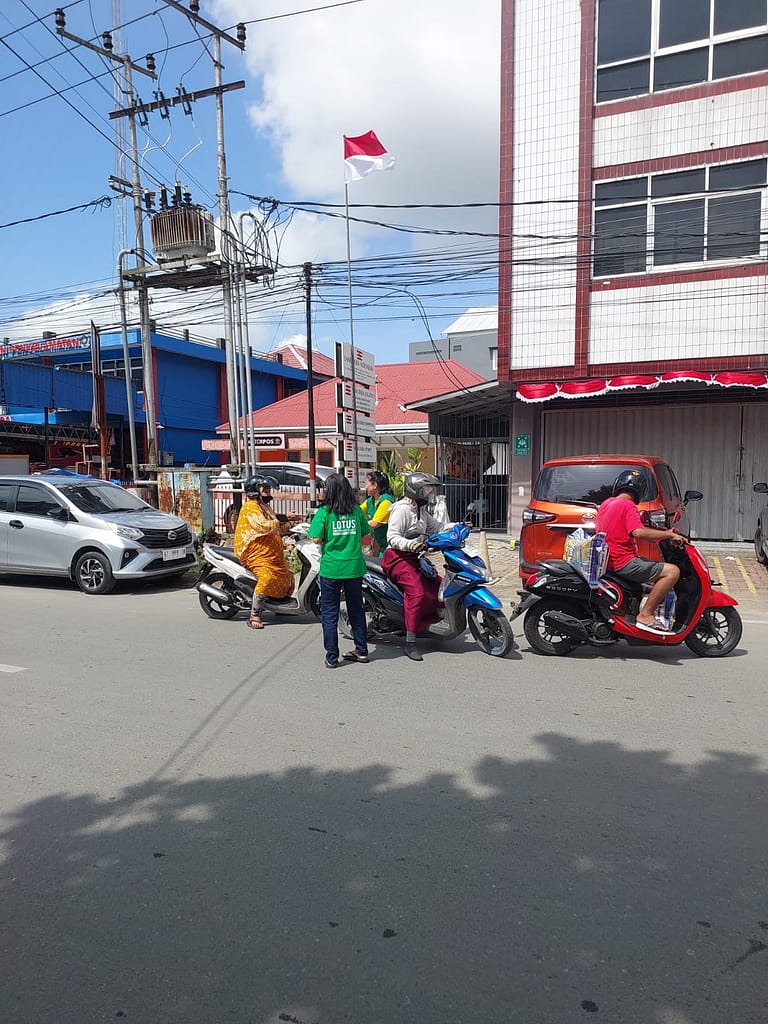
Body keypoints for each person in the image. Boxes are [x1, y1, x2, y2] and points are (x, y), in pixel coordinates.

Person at [596, 469, 684, 633]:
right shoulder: (628, 505)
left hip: (609, 560)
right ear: (640, 490)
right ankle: (645, 614)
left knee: (649, 564)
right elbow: (638, 532)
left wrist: (662, 533)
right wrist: (668, 535)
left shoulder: (607, 503)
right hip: (623, 562)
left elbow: (632, 528)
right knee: (672, 572)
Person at [382, 471, 453, 661]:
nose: (430, 493)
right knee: (417, 593)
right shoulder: (402, 510)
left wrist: (458, 527)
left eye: (431, 490)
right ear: (415, 490)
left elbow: (437, 527)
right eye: (426, 489)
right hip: (397, 558)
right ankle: (410, 641)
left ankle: (429, 624)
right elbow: (392, 537)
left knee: (439, 585)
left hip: (414, 557)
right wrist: (410, 545)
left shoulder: (421, 511)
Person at [308, 472, 371, 669]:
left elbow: (315, 538)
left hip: (332, 569)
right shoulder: (356, 510)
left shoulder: (324, 512)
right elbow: (366, 534)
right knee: (356, 610)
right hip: (354, 568)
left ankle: (332, 657)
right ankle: (361, 650)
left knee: (329, 613)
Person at [233, 475, 302, 630]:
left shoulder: (264, 507)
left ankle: (279, 605)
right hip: (255, 555)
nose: (268, 493)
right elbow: (263, 526)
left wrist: (290, 522)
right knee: (267, 577)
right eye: (265, 490)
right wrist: (284, 518)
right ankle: (255, 613)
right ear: (255, 491)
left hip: (272, 556)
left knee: (287, 576)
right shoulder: (250, 507)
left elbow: (275, 526)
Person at [360, 470, 395, 558]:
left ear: (375, 485)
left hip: (388, 548)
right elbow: (358, 512)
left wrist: (356, 523)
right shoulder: (371, 501)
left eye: (366, 484)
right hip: (379, 547)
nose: (365, 487)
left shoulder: (386, 502)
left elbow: (374, 524)